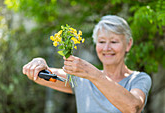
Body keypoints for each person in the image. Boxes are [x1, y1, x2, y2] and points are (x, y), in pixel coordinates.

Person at [22, 15, 152, 113]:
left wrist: (92, 73)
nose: (107, 48)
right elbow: (39, 76)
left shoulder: (139, 79)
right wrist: (39, 62)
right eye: (101, 42)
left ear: (128, 44)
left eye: (114, 42)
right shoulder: (83, 80)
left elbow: (132, 106)